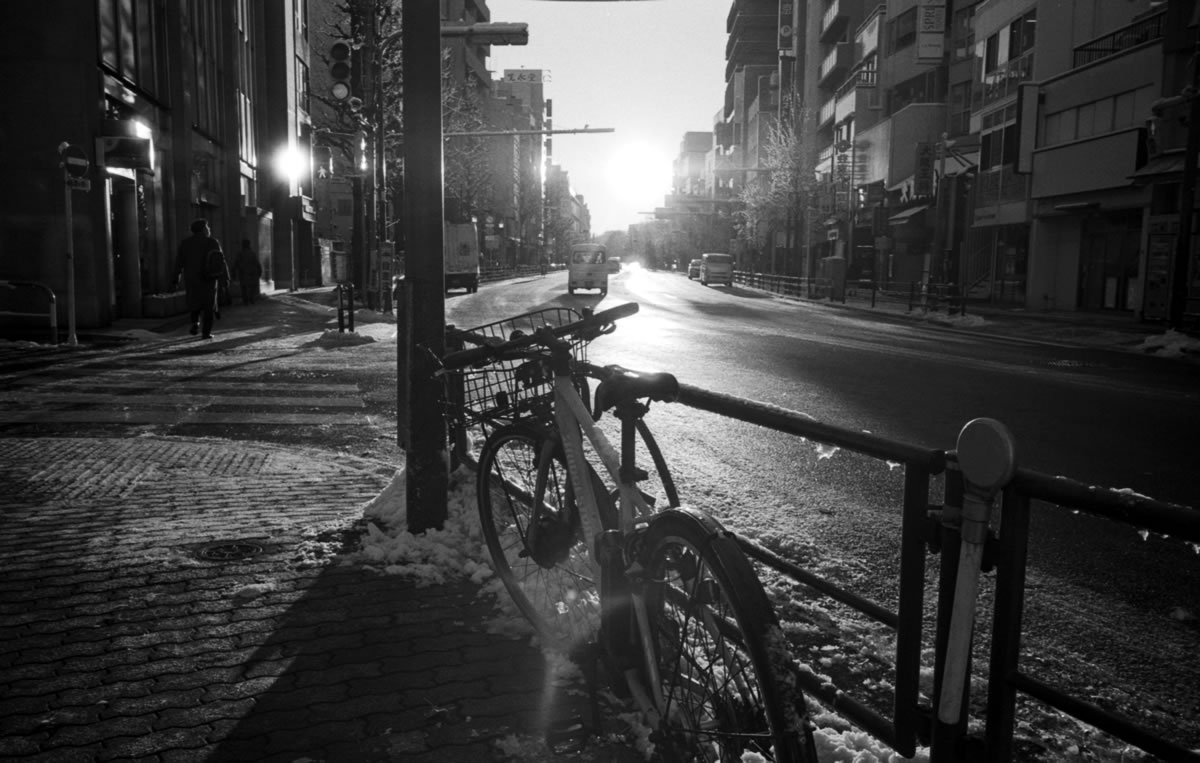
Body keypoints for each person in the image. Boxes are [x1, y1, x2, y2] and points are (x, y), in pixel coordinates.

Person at [173, 219, 228, 339]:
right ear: (203, 229)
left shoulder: (185, 243)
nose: (209, 229)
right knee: (208, 306)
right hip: (209, 280)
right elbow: (221, 261)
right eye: (208, 227)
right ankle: (206, 332)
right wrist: (225, 278)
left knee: (195, 303)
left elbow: (179, 263)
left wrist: (175, 278)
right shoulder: (212, 242)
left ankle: (195, 323)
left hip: (192, 279)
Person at [233, 239, 263, 305]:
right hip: (252, 273)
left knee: (244, 287)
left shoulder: (240, 253)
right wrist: (260, 271)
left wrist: (234, 272)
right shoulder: (252, 253)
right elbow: (257, 263)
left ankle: (246, 300)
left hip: (243, 273)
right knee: (252, 286)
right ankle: (251, 299)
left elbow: (236, 263)